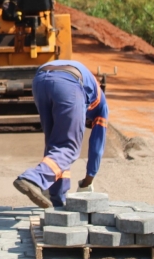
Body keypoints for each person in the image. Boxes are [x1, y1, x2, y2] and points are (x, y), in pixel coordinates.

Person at [13, 60, 109, 208]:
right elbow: (97, 148)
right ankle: (34, 178)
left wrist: (58, 200)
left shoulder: (91, 92)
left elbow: (57, 151)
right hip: (68, 83)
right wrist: (87, 181)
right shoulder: (102, 107)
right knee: (69, 148)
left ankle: (56, 198)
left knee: (56, 147)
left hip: (40, 80)